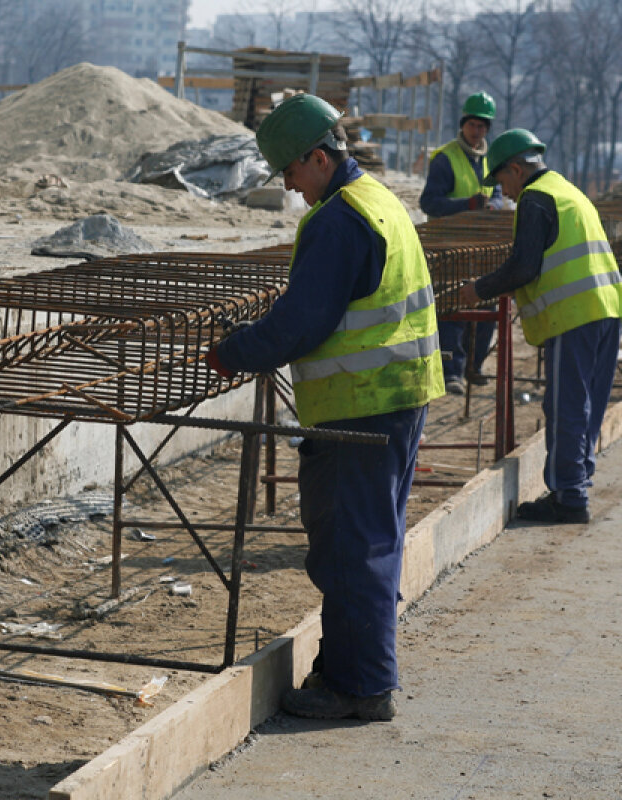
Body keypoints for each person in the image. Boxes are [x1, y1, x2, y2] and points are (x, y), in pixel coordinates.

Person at [206, 94, 444, 720]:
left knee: (350, 545)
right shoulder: (380, 200)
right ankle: (346, 670)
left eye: (289, 169)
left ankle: (361, 687)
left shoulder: (338, 220)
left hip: (359, 407)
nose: (287, 183)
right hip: (396, 397)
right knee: (369, 542)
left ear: (319, 156)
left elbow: (303, 322)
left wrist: (232, 352)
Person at [458, 129, 622, 524]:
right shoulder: (567, 190)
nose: (507, 191)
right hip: (607, 308)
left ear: (516, 169)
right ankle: (577, 482)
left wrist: (478, 289)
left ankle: (569, 497)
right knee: (586, 406)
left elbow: (523, 266)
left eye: (503, 181)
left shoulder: (537, 199)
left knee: (566, 405)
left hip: (575, 316)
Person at [421, 92, 504, 395]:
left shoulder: (491, 160)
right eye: (472, 124)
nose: (477, 131)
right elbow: (430, 203)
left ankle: (474, 366)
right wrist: (467, 204)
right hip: (450, 247)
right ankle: (452, 371)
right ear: (463, 125)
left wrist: (493, 204)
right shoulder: (445, 158)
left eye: (482, 126)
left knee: (485, 305)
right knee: (453, 308)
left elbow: (496, 192)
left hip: (481, 246)